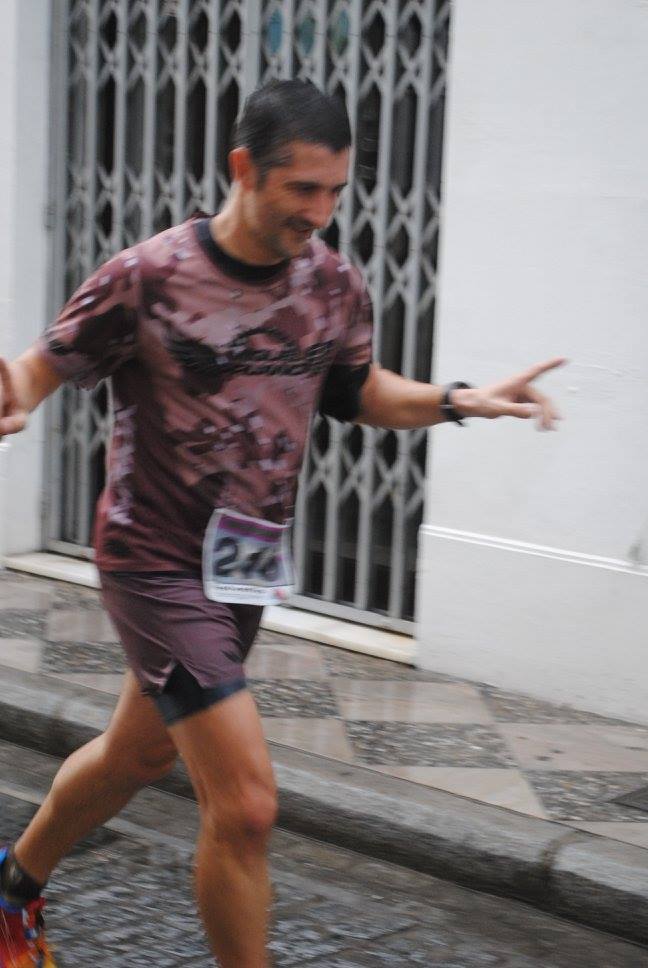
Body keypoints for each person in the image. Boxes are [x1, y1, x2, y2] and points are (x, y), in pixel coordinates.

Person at [0, 79, 564, 968]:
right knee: (248, 806)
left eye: (335, 190)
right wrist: (15, 397)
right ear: (243, 168)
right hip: (153, 560)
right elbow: (43, 367)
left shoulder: (331, 282)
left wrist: (461, 400)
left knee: (135, 757)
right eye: (303, 188)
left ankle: (10, 891)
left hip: (243, 566)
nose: (321, 211)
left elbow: (358, 392)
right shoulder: (147, 276)